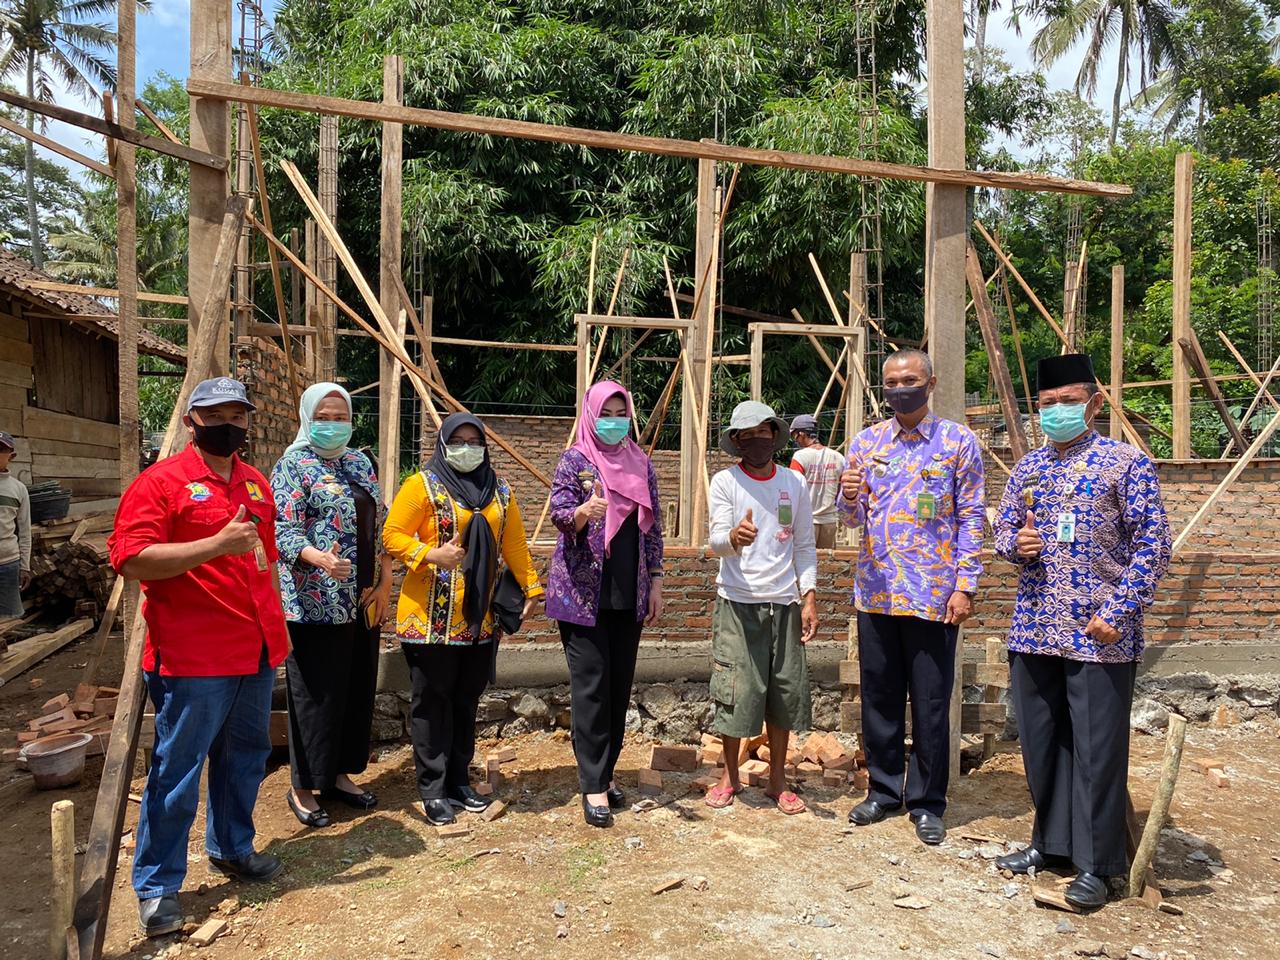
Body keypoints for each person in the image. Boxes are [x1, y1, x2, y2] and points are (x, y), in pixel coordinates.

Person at [107, 378, 290, 938]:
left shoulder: (256, 484)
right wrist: (212, 546)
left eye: (237, 413)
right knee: (177, 770)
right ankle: (159, 885)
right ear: (192, 422)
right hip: (194, 658)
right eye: (216, 415)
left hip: (256, 648)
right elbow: (132, 559)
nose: (228, 423)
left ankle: (232, 847)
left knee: (245, 757)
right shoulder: (160, 484)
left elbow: (265, 557)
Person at [992, 353, 1171, 910]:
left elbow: (1155, 545)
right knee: (1042, 743)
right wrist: (1014, 546)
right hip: (1035, 627)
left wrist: (1119, 612)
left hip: (1098, 632)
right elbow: (1002, 530)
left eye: (1068, 401)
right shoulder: (1027, 469)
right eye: (1046, 404)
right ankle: (1050, 844)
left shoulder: (1125, 464)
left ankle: (1098, 864)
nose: (1056, 412)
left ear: (1094, 403)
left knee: (1096, 750)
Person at [838, 349, 985, 846]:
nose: (900, 388)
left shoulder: (957, 442)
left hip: (932, 596)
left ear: (931, 382)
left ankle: (927, 801)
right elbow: (850, 520)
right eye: (892, 381)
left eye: (910, 380)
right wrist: (849, 495)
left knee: (929, 702)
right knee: (878, 697)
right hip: (876, 595)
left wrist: (965, 584)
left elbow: (971, 516)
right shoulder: (866, 443)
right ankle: (882, 789)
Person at [383, 413, 544, 826]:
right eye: (459, 440)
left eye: (475, 441)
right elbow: (392, 535)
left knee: (465, 703)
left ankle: (458, 781)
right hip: (429, 621)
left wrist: (533, 588)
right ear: (444, 443)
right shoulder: (421, 486)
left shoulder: (500, 492)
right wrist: (430, 554)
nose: (468, 448)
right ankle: (432, 788)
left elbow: (515, 546)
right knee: (432, 703)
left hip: (479, 622)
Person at [271, 382, 394, 829]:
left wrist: (384, 582)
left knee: (354, 688)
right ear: (308, 419)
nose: (332, 425)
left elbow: (379, 525)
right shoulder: (293, 464)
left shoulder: (361, 462)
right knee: (315, 694)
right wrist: (317, 557)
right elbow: (281, 530)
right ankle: (303, 785)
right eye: (323, 417)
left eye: (340, 417)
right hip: (313, 600)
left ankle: (338, 775)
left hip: (361, 599)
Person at [548, 381, 665, 828]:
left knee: (618, 688)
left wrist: (655, 582)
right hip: (582, 595)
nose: (615, 420)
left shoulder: (641, 462)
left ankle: (607, 771)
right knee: (591, 689)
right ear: (591, 414)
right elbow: (560, 512)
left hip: (628, 592)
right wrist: (582, 514)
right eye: (607, 412)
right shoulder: (576, 460)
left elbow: (652, 532)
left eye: (622, 412)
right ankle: (592, 784)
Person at [705, 401, 818, 815]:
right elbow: (715, 539)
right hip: (738, 601)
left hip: (784, 601)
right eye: (746, 435)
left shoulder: (793, 484)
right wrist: (734, 537)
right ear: (736, 442)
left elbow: (804, 546)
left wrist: (809, 596)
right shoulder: (726, 482)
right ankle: (729, 775)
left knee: (784, 691)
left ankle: (777, 779)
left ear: (775, 434)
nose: (756, 440)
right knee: (737, 689)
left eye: (763, 432)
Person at [788, 414, 845, 549]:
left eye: (795, 436)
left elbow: (793, 488)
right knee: (827, 565)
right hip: (830, 522)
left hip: (806, 522)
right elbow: (842, 491)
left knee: (804, 563)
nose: (795, 440)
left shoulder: (800, 456)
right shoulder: (838, 457)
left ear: (801, 434)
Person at [0, 431, 31, 618]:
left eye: (1, 450)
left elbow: (25, 530)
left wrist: (25, 566)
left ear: (11, 456)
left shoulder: (18, 489)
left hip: (7, 563)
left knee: (9, 620)